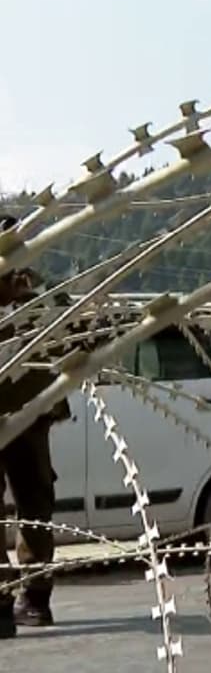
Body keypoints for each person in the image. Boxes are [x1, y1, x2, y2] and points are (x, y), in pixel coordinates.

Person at [0, 214, 71, 636]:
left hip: (30, 410)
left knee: (36, 503)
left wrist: (27, 291)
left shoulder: (34, 286)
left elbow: (67, 320)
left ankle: (34, 595)